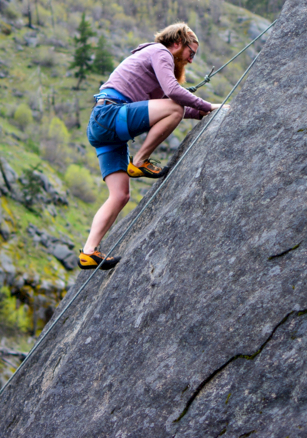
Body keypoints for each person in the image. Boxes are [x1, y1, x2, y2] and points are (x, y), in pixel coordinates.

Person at [79, 22, 222, 270]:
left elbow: (167, 104)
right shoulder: (160, 52)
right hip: (111, 116)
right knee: (174, 107)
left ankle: (88, 252)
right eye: (191, 52)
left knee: (120, 195)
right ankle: (139, 161)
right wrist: (208, 105)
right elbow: (173, 96)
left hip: (103, 126)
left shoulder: (152, 62)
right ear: (177, 43)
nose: (191, 60)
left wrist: (204, 112)